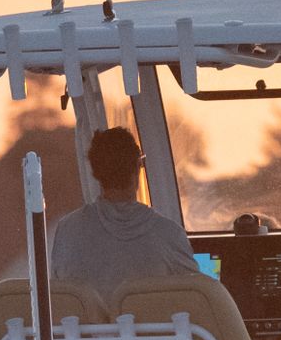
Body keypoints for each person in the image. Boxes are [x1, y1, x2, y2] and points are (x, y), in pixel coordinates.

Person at [48, 126, 198, 296]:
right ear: (137, 166)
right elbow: (199, 298)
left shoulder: (68, 231)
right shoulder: (168, 235)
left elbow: (58, 296)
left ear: (96, 172)